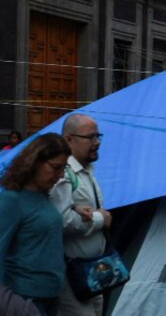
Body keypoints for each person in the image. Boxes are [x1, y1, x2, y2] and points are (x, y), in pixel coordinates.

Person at [0, 133, 71, 316]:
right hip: (25, 301)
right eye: (56, 167)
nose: (61, 175)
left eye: (64, 168)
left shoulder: (43, 195)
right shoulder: (10, 200)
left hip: (51, 297)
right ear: (35, 162)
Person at [49, 114, 111, 316]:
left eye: (98, 136)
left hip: (94, 270)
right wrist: (100, 219)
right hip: (72, 277)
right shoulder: (64, 174)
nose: (97, 142)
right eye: (90, 137)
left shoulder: (86, 170)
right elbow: (62, 221)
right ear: (69, 139)